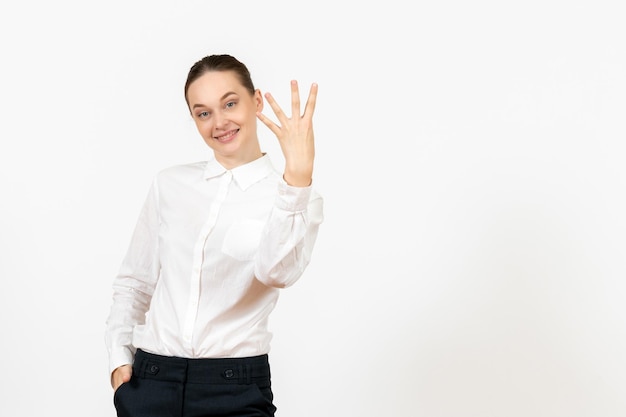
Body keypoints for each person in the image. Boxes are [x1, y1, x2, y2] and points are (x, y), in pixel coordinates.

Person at [105, 54, 323, 417]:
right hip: (151, 381)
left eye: (230, 103)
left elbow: (277, 273)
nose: (219, 122)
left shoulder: (296, 197)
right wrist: (118, 358)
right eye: (203, 113)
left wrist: (296, 179)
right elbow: (135, 282)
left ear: (255, 101)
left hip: (234, 387)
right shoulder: (170, 184)